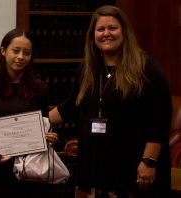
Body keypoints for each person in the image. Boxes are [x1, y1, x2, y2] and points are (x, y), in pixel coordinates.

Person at [49, 5, 172, 198]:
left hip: (133, 169)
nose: (106, 33)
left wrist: (149, 161)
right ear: (93, 35)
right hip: (96, 168)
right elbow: (70, 107)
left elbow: (160, 120)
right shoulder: (87, 69)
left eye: (112, 28)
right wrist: (35, 124)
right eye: (100, 29)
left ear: (124, 31)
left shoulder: (147, 68)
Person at [0, 28, 58, 198]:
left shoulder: (40, 89)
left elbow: (44, 125)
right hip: (2, 173)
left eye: (26, 52)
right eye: (15, 51)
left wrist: (48, 136)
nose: (21, 57)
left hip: (35, 173)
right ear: (3, 51)